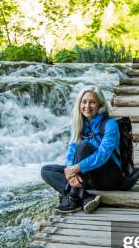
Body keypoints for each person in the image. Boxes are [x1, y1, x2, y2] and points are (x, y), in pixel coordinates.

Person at [41, 86, 124, 214]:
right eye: (84, 101)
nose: (87, 106)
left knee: (84, 147)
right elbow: (72, 152)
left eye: (92, 102)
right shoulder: (79, 124)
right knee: (46, 171)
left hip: (109, 177)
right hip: (88, 176)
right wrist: (71, 171)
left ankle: (74, 198)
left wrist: (77, 168)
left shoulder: (110, 124)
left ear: (100, 104)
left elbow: (103, 154)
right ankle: (85, 196)